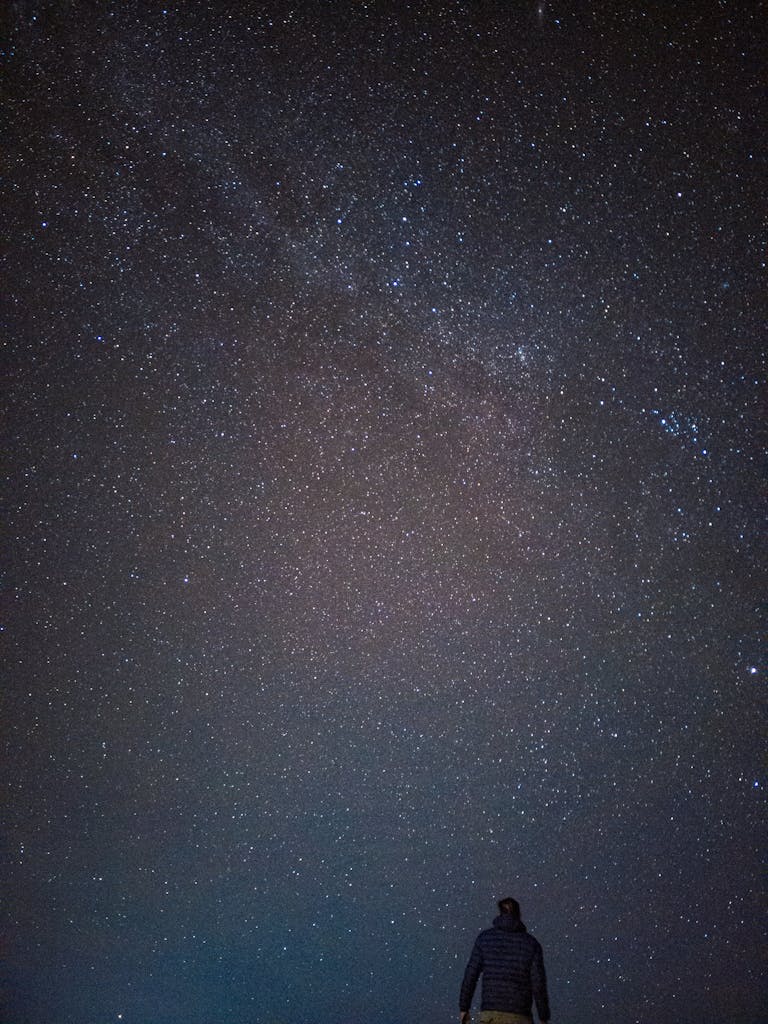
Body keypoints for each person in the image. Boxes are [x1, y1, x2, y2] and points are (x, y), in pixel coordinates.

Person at [459, 896, 551, 1024]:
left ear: (500, 912)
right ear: (519, 914)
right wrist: (543, 1016)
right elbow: (538, 983)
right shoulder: (531, 944)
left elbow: (471, 975)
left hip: (490, 1015)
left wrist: (464, 1007)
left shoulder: (484, 939)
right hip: (520, 1016)